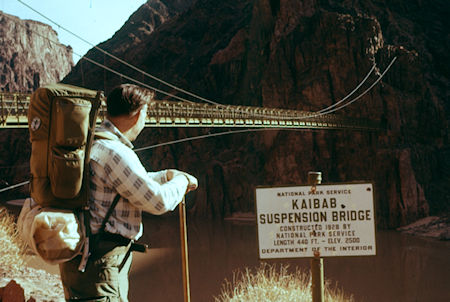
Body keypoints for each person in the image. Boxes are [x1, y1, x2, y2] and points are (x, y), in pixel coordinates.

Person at [59, 83, 198, 301]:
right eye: (146, 113)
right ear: (138, 113)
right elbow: (158, 201)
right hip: (100, 264)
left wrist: (164, 176)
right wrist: (181, 181)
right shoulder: (115, 152)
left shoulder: (93, 141)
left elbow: (123, 184)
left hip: (80, 260)